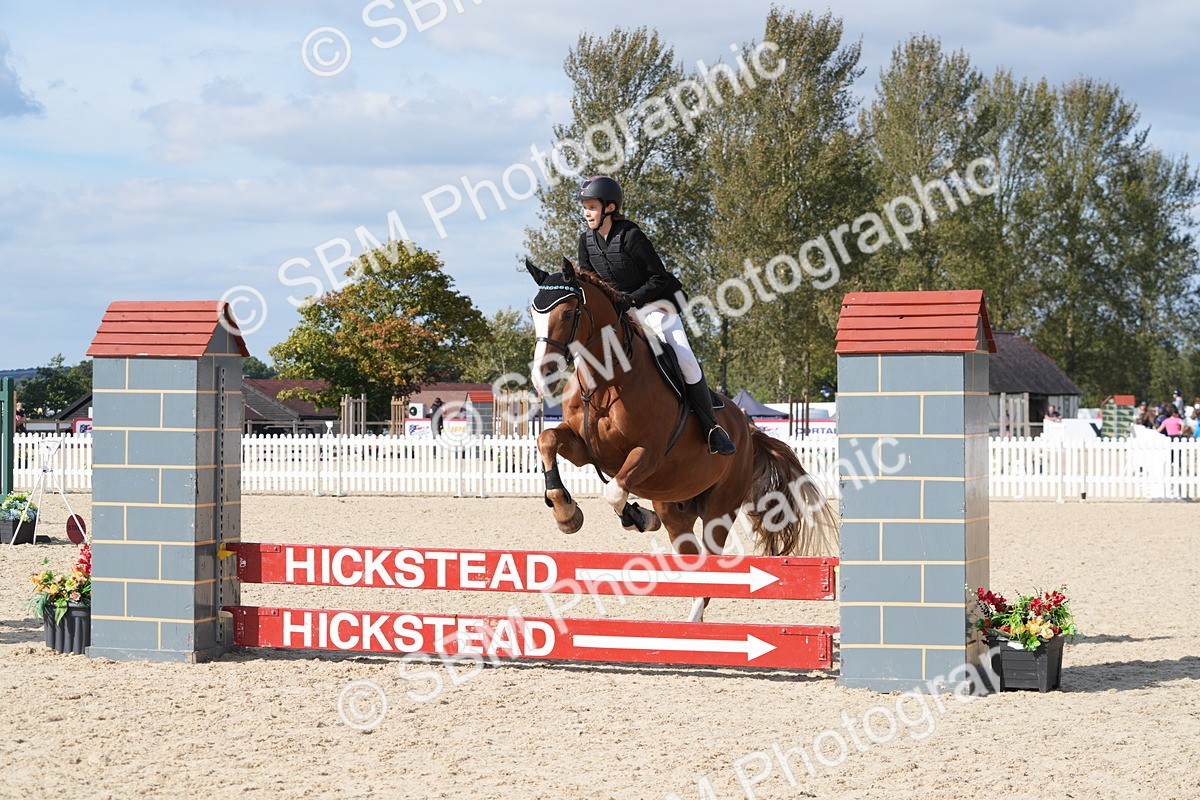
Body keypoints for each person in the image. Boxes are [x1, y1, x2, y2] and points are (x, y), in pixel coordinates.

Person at [574, 175, 735, 456]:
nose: (586, 213)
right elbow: (589, 281)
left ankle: (712, 428)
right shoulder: (586, 242)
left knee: (684, 358)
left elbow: (659, 278)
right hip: (619, 313)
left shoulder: (631, 236)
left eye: (591, 207)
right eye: (584, 207)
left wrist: (630, 299)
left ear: (609, 208)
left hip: (654, 305)